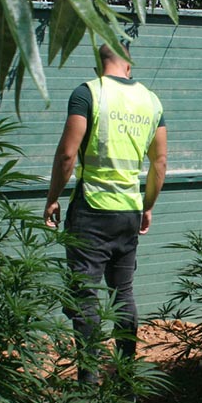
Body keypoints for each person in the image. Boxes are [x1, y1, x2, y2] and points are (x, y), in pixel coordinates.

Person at [44, 42, 167, 384]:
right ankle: (126, 373)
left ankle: (88, 380)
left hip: (92, 210)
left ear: (100, 63)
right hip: (128, 210)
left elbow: (68, 155)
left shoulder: (88, 93)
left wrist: (52, 197)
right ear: (128, 63)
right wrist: (148, 205)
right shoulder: (150, 100)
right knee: (123, 292)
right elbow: (159, 161)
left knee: (85, 295)